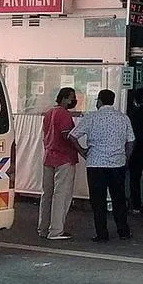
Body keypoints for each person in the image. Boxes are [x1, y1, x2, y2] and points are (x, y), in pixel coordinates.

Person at [70, 89, 134, 243]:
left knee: (98, 201)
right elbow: (131, 141)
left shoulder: (91, 117)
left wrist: (83, 152)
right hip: (117, 164)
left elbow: (72, 136)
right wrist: (125, 157)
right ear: (112, 101)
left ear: (99, 101)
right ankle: (123, 231)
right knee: (118, 199)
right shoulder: (123, 118)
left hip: (95, 164)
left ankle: (102, 233)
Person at [38, 87, 81, 241]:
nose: (74, 100)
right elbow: (67, 135)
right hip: (64, 158)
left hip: (49, 156)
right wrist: (81, 150)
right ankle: (56, 231)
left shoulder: (49, 113)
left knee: (47, 194)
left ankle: (43, 228)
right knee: (61, 195)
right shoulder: (64, 114)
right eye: (72, 97)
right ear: (64, 98)